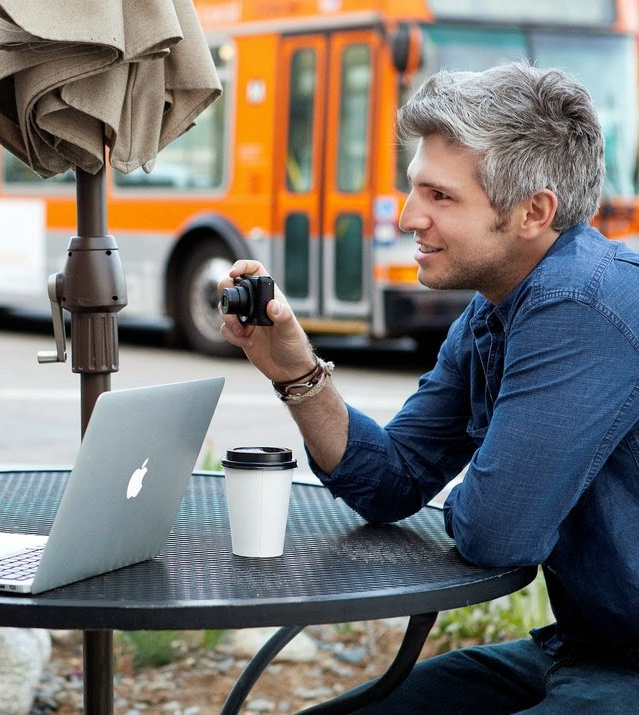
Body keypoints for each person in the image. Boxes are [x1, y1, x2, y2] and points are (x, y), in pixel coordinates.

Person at [220, 62, 639, 712]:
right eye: (414, 188)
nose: (408, 215)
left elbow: (500, 532)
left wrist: (499, 492)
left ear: (534, 212)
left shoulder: (582, 303)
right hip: (586, 647)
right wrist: (297, 371)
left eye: (441, 196)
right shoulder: (496, 308)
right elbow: (392, 481)